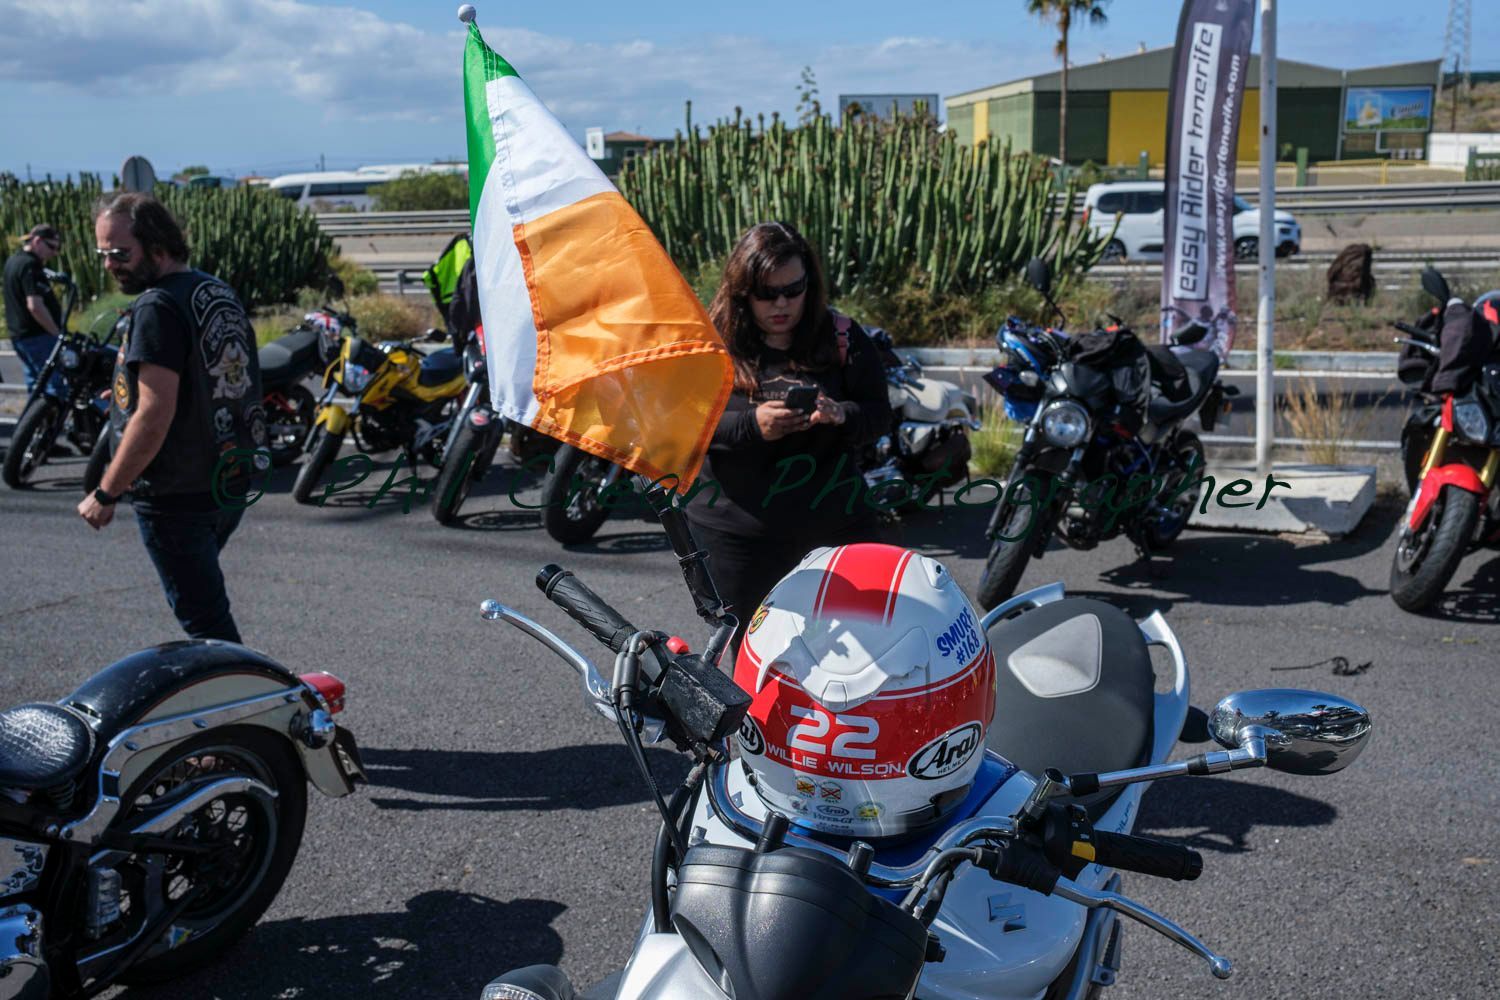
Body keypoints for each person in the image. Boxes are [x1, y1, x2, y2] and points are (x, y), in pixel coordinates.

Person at [686, 221, 893, 651]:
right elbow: (683, 425)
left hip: (835, 531)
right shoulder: (711, 342)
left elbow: (878, 417)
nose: (781, 303)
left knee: (861, 651)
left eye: (793, 290)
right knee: (753, 662)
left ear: (809, 285)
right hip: (737, 541)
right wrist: (752, 425)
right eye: (766, 293)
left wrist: (841, 415)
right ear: (743, 290)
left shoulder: (841, 337)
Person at [76, 193, 266, 643]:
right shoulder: (212, 289)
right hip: (229, 479)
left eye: (120, 253)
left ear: (158, 246)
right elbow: (206, 378)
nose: (109, 265)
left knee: (208, 627)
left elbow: (155, 413)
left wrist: (106, 491)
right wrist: (127, 395)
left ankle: (255, 705)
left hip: (178, 493)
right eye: (102, 254)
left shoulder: (157, 306)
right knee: (206, 608)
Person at [3, 223, 66, 396]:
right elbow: (35, 305)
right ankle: (51, 422)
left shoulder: (13, 261)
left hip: (20, 336)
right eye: (52, 247)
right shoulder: (30, 265)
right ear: (37, 241)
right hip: (38, 336)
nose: (54, 253)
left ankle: (37, 423)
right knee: (54, 388)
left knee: (36, 386)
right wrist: (56, 333)